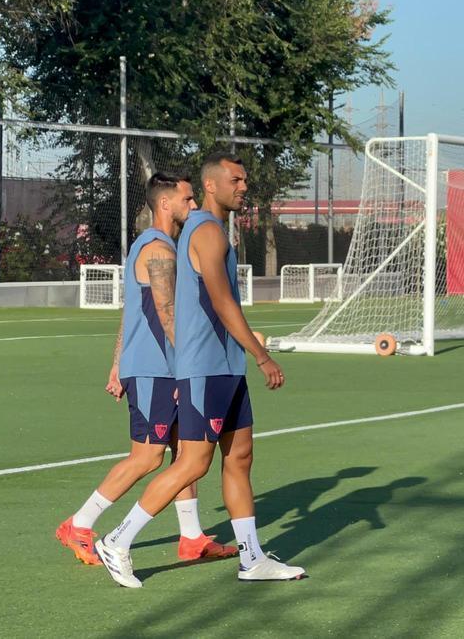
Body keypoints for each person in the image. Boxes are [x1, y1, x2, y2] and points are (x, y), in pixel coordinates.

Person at [96, 152, 304, 588]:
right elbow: (222, 301)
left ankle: (252, 558)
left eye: (245, 178)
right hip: (206, 369)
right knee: (192, 464)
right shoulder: (207, 233)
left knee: (240, 457)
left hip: (225, 366)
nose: (244, 186)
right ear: (213, 185)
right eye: (236, 179)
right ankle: (117, 539)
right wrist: (261, 355)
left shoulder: (210, 231)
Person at [56, 172, 235, 566]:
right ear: (166, 204)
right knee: (149, 456)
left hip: (156, 366)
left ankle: (191, 538)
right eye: (188, 199)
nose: (193, 206)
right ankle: (79, 524)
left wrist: (117, 364)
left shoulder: (161, 246)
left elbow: (133, 313)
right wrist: (188, 368)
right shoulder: (159, 250)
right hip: (159, 369)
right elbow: (169, 317)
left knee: (185, 450)